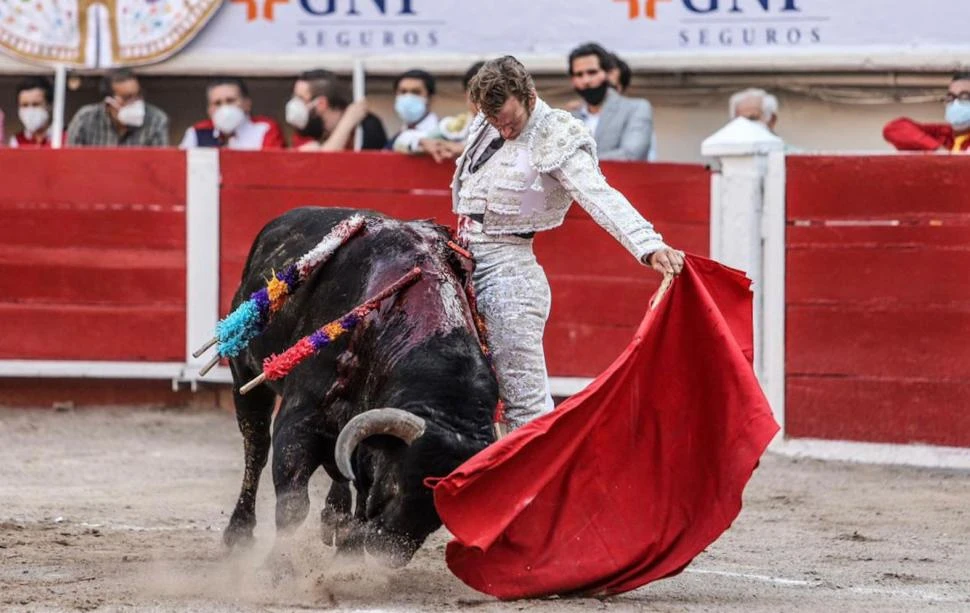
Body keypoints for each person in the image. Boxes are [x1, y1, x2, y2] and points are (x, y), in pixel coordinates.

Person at [453, 56, 684, 429]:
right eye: (495, 122)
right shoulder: (487, 121)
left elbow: (598, 194)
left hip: (509, 275)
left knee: (523, 402)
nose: (504, 131)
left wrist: (649, 245)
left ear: (529, 95)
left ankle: (536, 486)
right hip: (462, 260)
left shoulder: (556, 134)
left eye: (510, 122)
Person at [568, 42, 653, 161]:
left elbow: (632, 155)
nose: (586, 80)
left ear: (608, 74)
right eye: (579, 74)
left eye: (592, 72)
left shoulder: (636, 109)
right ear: (572, 80)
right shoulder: (568, 118)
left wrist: (577, 162)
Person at [285, 69, 386, 151]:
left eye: (300, 98)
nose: (295, 104)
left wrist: (350, 121)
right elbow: (318, 164)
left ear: (321, 103)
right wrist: (347, 123)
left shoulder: (365, 127)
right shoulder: (307, 127)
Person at [67, 68, 168, 147]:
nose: (135, 102)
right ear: (109, 101)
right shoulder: (85, 119)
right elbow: (71, 163)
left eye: (138, 95)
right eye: (127, 98)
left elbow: (160, 167)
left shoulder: (156, 120)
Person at [180, 77, 284, 150]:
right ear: (209, 110)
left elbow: (272, 168)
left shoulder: (264, 129)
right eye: (217, 103)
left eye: (230, 101)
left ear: (247, 104)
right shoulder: (197, 133)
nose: (224, 107)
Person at [413, 61, 485, 163]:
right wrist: (424, 142)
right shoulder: (454, 126)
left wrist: (465, 150)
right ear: (466, 95)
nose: (483, 99)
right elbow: (403, 139)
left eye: (491, 93)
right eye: (476, 92)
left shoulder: (511, 127)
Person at [883, 73, 970, 152]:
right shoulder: (945, 134)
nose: (955, 104)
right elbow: (894, 128)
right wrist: (938, 150)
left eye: (965, 97)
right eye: (950, 97)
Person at [389, 69, 439, 153]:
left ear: (431, 99)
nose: (408, 97)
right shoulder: (392, 141)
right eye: (403, 92)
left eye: (416, 92)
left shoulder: (447, 133)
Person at [9, 76, 58, 148]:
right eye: (25, 105)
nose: (30, 110)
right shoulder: (16, 141)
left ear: (50, 106)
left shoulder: (64, 138)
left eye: (36, 104)